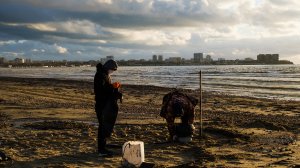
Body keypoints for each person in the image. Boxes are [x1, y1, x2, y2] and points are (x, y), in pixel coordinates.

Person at [94, 59, 122, 157]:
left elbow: (106, 88)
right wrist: (112, 87)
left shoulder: (105, 75)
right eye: (112, 69)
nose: (113, 71)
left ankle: (103, 146)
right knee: (103, 126)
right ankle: (101, 149)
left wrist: (113, 87)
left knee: (105, 125)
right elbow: (100, 90)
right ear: (108, 68)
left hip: (105, 104)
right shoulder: (100, 75)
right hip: (101, 105)